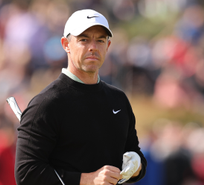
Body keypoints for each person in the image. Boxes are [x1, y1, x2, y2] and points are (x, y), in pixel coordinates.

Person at [15, 9, 147, 185]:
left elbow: (134, 153)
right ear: (66, 44)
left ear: (107, 46)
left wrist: (136, 165)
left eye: (100, 40)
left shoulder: (118, 99)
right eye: (83, 40)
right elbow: (26, 174)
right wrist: (88, 180)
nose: (93, 47)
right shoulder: (46, 104)